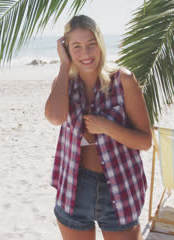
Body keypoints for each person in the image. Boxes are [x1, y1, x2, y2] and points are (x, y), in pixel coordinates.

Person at [45, 15, 152, 240]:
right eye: (76, 46)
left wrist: (107, 127)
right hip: (74, 186)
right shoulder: (63, 83)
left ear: (100, 43)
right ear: (66, 49)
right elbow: (54, 118)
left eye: (91, 44)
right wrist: (64, 65)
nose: (85, 53)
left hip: (120, 186)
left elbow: (145, 141)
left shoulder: (124, 80)